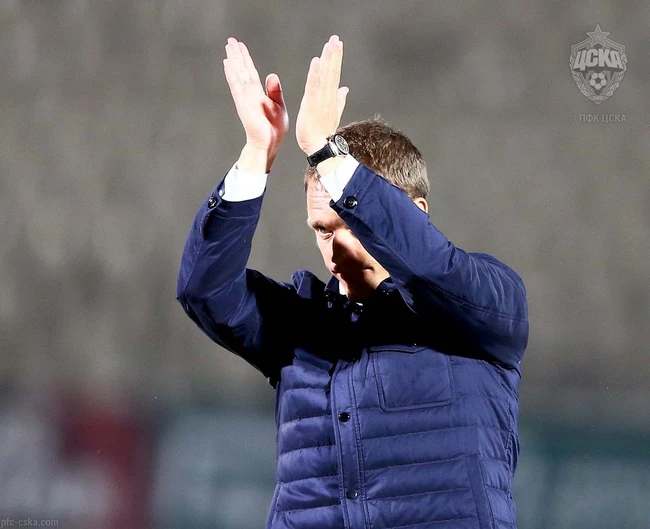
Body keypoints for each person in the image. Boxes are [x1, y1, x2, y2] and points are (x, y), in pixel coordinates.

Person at [176, 35, 529, 529]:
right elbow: (202, 290)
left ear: (416, 212)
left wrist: (326, 154)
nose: (335, 249)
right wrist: (256, 154)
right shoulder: (299, 325)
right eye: (323, 230)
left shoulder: (487, 307)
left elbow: (430, 268)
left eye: (351, 224)